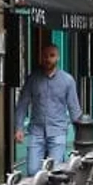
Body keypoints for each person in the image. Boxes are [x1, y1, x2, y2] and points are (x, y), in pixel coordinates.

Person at [15, 43, 81, 175]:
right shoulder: (33, 79)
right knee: (33, 171)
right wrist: (19, 128)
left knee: (55, 173)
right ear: (41, 57)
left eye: (52, 56)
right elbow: (23, 104)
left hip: (58, 131)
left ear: (58, 57)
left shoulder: (67, 80)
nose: (48, 59)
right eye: (45, 56)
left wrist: (79, 136)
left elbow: (74, 109)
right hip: (36, 130)